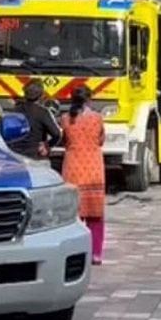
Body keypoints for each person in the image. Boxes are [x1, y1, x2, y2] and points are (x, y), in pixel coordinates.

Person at [61, 87, 107, 265]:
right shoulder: (97, 118)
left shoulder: (65, 119)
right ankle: (95, 253)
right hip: (93, 168)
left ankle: (75, 254)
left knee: (73, 214)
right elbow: (101, 140)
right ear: (90, 100)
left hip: (72, 168)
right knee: (95, 215)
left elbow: (65, 140)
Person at [9, 79, 63, 161]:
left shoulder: (15, 111)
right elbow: (57, 134)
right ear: (41, 96)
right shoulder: (43, 112)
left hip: (16, 154)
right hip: (36, 155)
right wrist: (47, 145)